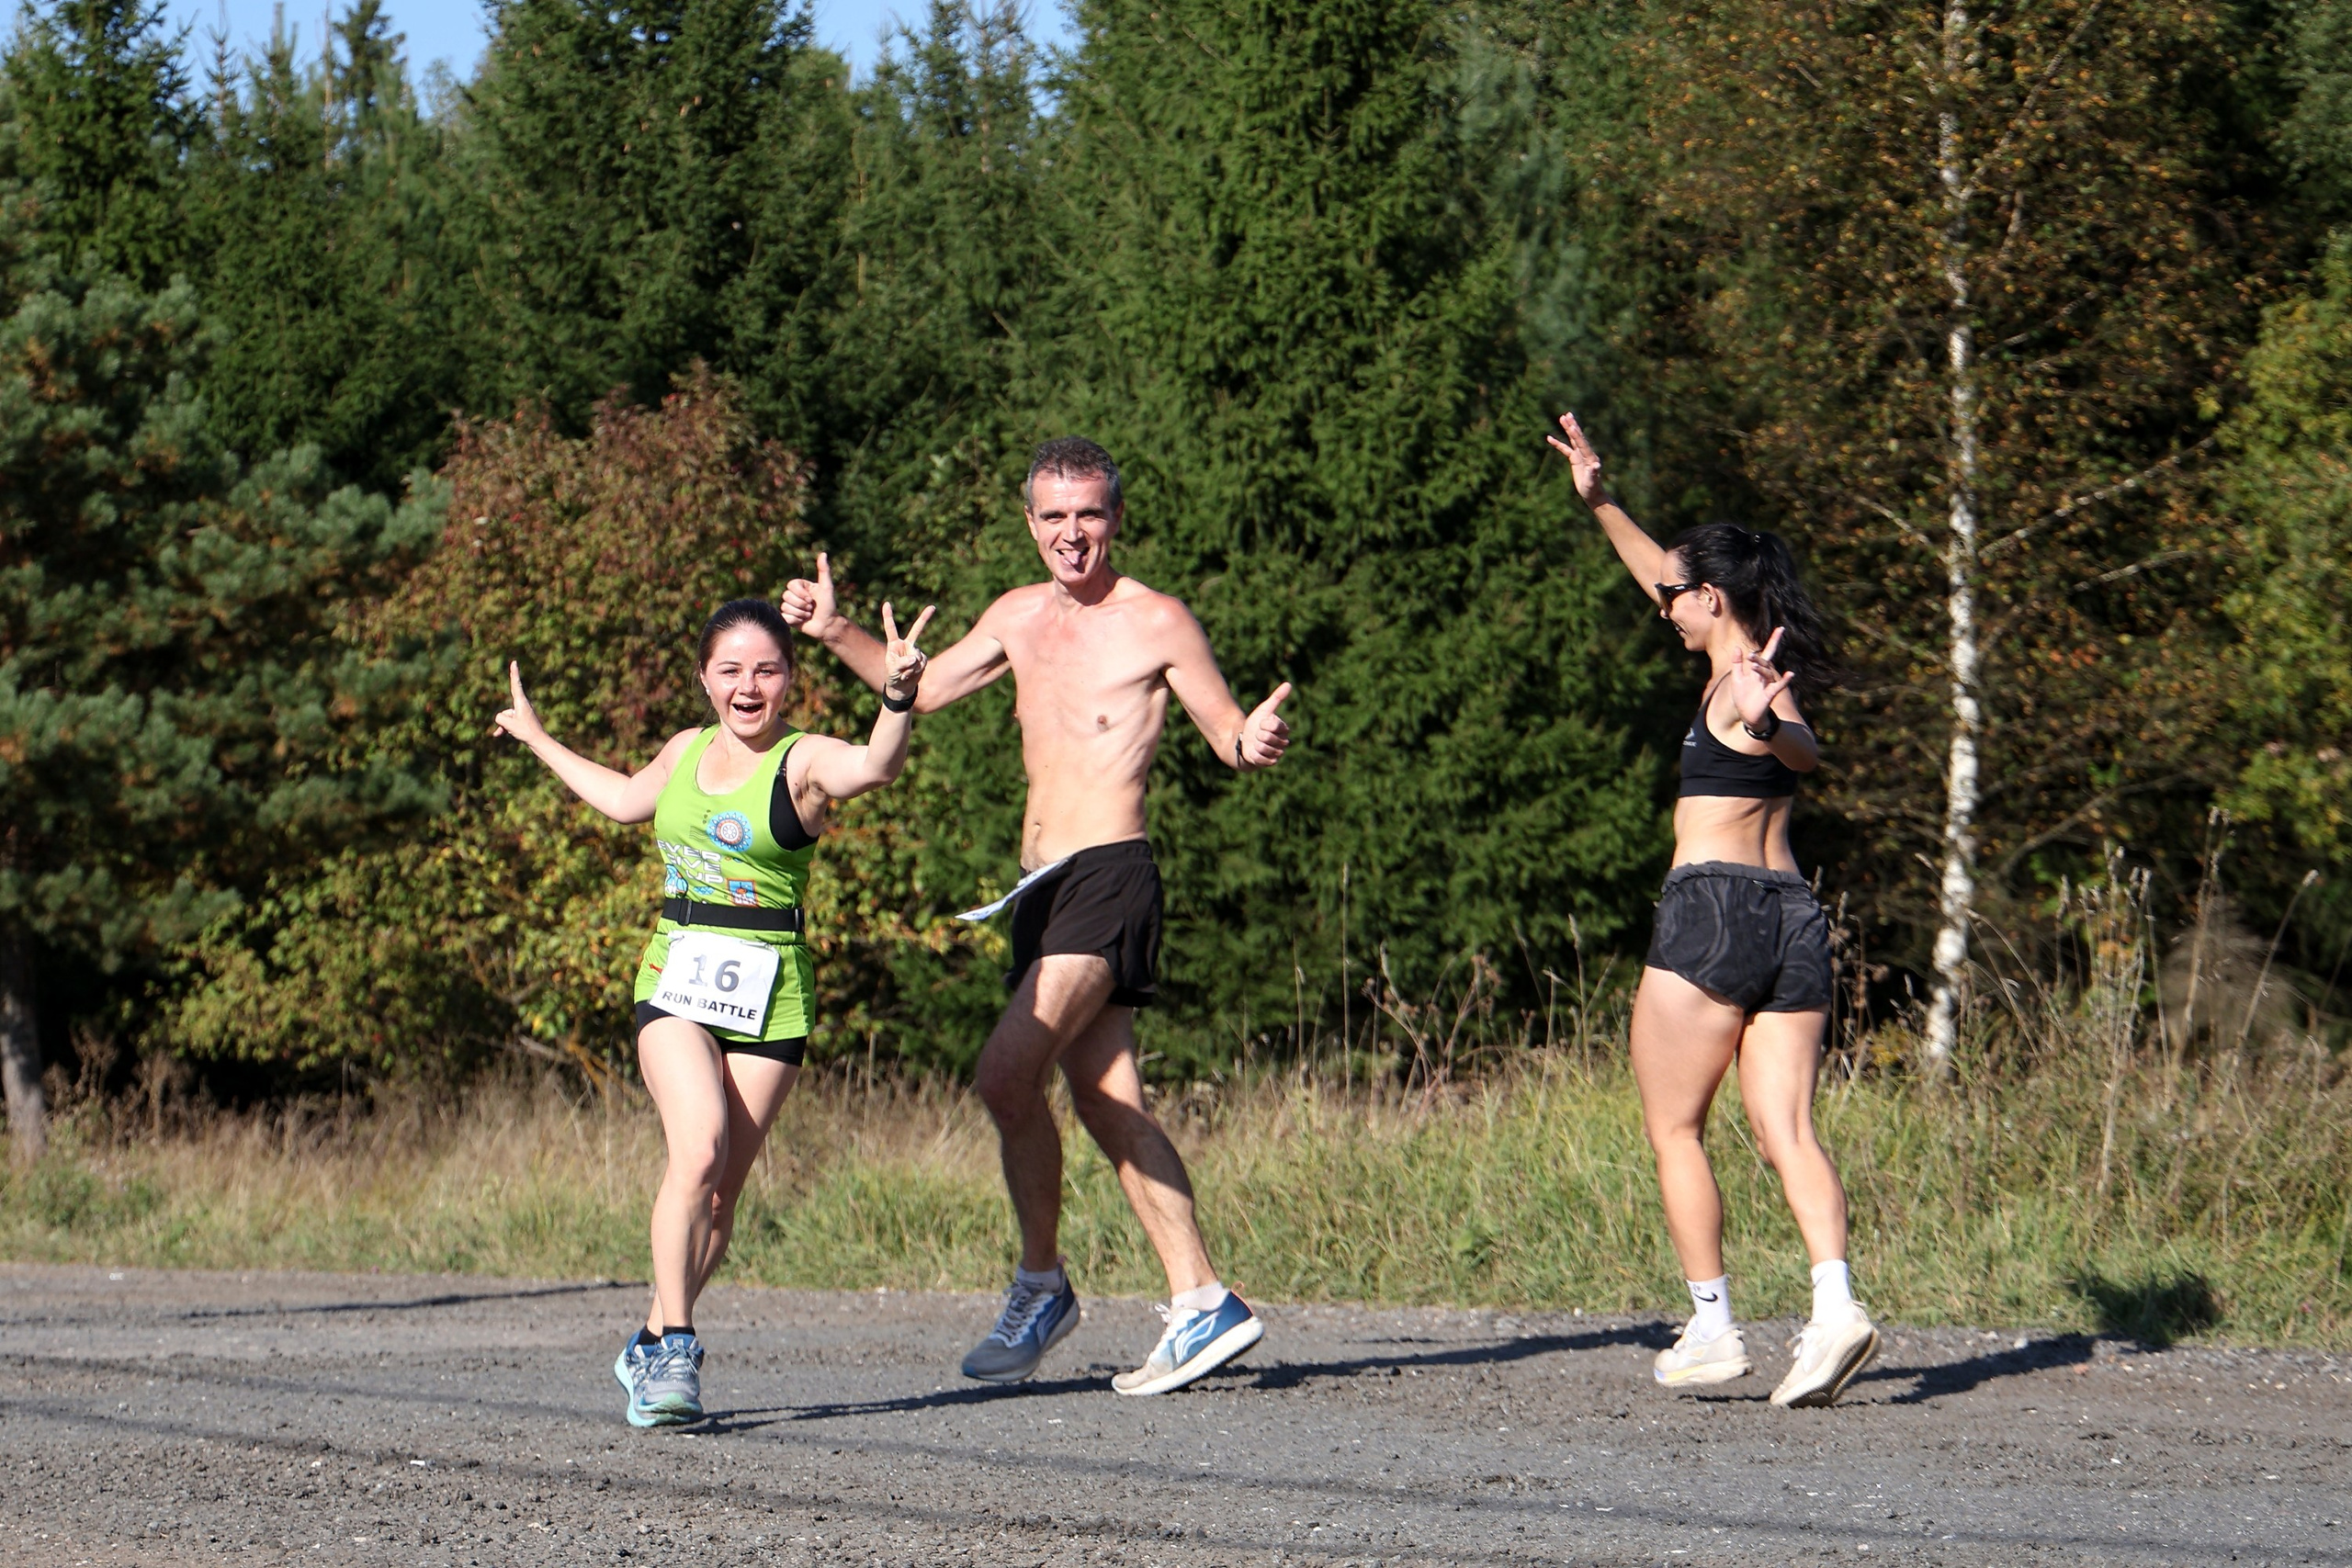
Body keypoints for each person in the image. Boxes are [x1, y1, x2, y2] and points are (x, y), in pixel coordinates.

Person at [780, 436, 1293, 1396]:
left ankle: (1041, 1282)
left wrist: (1250, 738)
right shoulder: (1016, 616)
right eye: (1054, 516)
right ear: (1030, 524)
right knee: (1105, 1098)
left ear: (1116, 518)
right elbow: (920, 689)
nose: (1072, 534)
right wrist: (838, 634)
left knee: (1004, 1073)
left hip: (1110, 875)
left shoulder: (1156, 620)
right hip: (1038, 891)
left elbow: (1225, 731)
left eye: (1089, 514)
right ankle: (1201, 1300)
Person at [494, 596, 933, 1427]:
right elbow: (626, 799)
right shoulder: (683, 749)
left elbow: (875, 767)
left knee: (723, 1196)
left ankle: (648, 1337)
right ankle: (676, 1351)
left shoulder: (804, 760)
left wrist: (898, 695)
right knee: (696, 1151)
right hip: (675, 981)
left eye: (766, 669)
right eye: (730, 669)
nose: (748, 685)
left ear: (789, 682)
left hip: (773, 996)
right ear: (704, 679)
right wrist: (540, 738)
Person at [1548, 412, 1879, 1409]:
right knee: (1785, 1127)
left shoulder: (1742, 683)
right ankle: (1833, 1310)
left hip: (1712, 912)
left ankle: (1712, 1326)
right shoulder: (1741, 664)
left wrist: (1779, 725)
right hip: (1792, 915)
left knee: (1674, 1127)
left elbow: (1799, 746)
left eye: (1675, 597)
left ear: (1713, 597)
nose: (1661, 607)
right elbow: (1658, 570)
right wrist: (1600, 498)